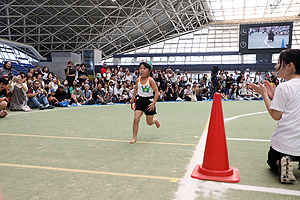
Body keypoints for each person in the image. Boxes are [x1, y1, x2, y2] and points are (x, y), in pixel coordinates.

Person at [249, 49, 300, 184]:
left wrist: (264, 94)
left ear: (290, 66)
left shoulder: (284, 87)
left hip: (286, 146)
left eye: (278, 63)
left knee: (271, 160)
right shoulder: (283, 88)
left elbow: (275, 115)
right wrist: (274, 96)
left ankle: (281, 163)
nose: (275, 67)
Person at [129, 61, 160, 144]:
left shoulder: (151, 80)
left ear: (149, 71)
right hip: (139, 100)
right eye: (140, 68)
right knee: (136, 119)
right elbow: (136, 89)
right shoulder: (138, 80)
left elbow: (157, 93)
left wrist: (153, 103)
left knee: (149, 123)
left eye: (144, 68)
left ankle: (155, 120)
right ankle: (134, 137)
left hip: (149, 102)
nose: (142, 70)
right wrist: (133, 97)